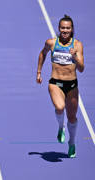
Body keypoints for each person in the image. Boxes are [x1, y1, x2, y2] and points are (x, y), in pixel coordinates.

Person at [36, 15, 84, 158]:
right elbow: (42, 54)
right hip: (55, 83)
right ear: (59, 28)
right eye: (62, 28)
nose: (65, 30)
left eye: (68, 28)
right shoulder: (51, 43)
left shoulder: (77, 45)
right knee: (59, 107)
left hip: (72, 85)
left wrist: (75, 57)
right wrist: (39, 72)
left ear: (72, 29)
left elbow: (81, 69)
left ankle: (72, 143)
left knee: (72, 117)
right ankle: (60, 127)